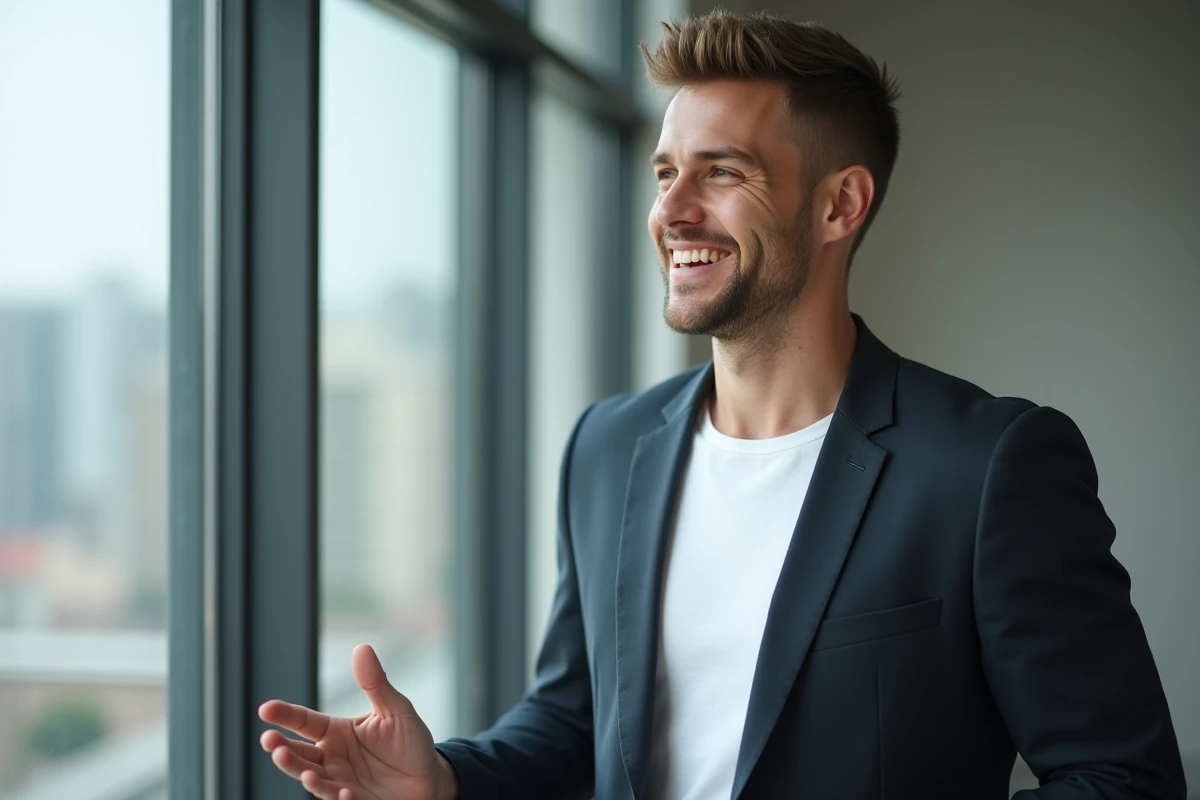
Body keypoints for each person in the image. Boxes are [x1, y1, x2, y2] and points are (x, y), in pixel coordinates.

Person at [257, 11, 1186, 799]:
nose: (673, 210)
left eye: (723, 172)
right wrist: (448, 779)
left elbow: (1120, 776)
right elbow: (576, 719)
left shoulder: (990, 467)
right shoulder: (606, 446)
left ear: (839, 206)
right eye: (666, 172)